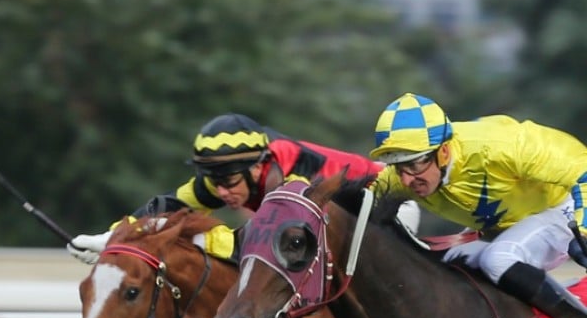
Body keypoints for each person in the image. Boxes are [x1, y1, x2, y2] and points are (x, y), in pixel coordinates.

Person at [369, 92, 587, 318]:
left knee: (498, 259)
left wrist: (584, 229)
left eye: (414, 164)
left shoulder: (501, 146)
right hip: (503, 227)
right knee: (441, 268)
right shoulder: (397, 179)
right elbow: (353, 208)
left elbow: (583, 170)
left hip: (559, 210)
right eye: (398, 167)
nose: (407, 179)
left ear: (443, 151)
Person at [68, 113, 401, 264]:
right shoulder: (229, 177)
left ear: (257, 167)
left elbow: (271, 239)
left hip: (388, 200)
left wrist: (198, 238)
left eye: (228, 182)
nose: (222, 193)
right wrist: (111, 238)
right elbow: (169, 207)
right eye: (214, 181)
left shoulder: (290, 172)